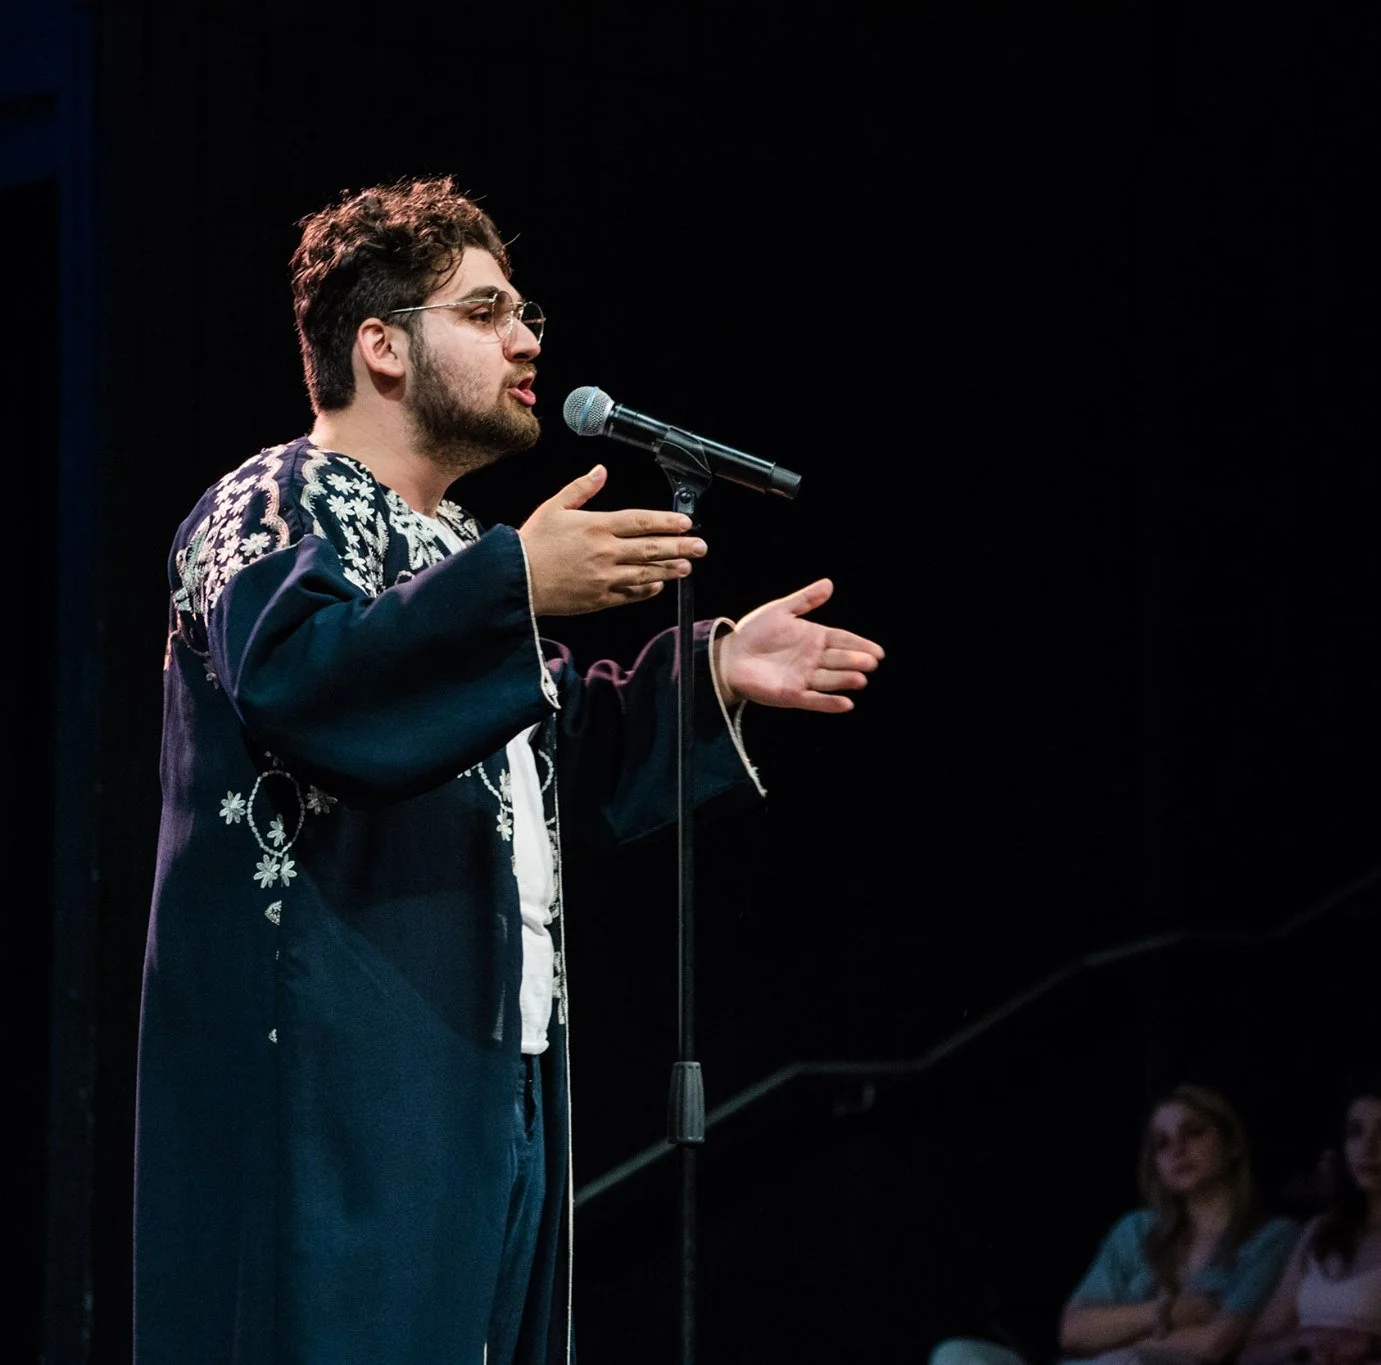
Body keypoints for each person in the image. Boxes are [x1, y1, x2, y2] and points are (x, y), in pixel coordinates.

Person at [132, 176, 885, 1365]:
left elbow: (546, 765)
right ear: (381, 345)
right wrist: (512, 590)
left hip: (484, 1063)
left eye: (522, 310)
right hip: (337, 1073)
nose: (528, 338)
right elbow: (301, 681)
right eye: (485, 312)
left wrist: (712, 670)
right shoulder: (275, 497)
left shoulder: (464, 550)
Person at [931, 1084, 1299, 1365]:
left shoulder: (1271, 1237)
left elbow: (1216, 1343)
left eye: (1193, 1132)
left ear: (1232, 1144)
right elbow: (1072, 1330)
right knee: (957, 1354)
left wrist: (1125, 1339)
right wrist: (1167, 1313)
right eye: (1161, 1143)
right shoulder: (1138, 1230)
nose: (1177, 1150)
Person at [1240, 1071, 1381, 1365]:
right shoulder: (1321, 1230)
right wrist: (1310, 1339)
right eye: (1355, 1132)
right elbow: (1252, 1353)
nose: (1367, 1148)